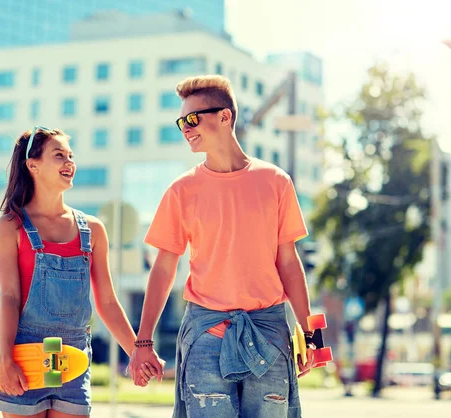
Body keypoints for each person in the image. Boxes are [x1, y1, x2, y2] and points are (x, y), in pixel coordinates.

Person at [128, 75, 320, 417]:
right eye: (181, 121)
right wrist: (143, 342)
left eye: (193, 118)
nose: (185, 128)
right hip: (206, 334)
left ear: (224, 116)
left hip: (269, 332)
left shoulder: (275, 182)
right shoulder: (181, 190)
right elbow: (163, 268)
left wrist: (310, 333)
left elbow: (289, 263)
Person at [0, 127, 158, 417]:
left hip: (74, 359)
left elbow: (107, 301)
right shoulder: (10, 226)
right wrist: (5, 356)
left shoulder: (92, 229)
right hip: (25, 354)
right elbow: (10, 297)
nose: (69, 163)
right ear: (33, 165)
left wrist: (138, 350)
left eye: (70, 156)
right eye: (59, 156)